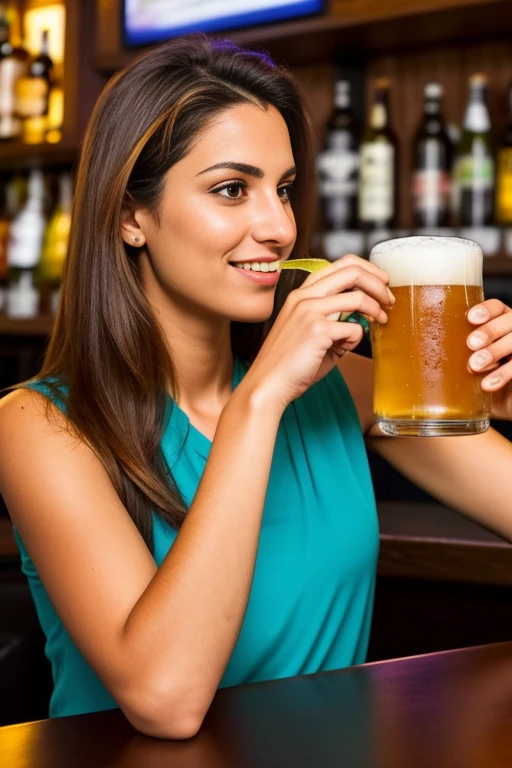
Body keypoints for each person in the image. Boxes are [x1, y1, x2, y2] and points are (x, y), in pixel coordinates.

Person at [0, 35, 512, 741]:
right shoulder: (37, 426)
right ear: (130, 215)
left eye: (285, 189)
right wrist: (261, 400)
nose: (277, 226)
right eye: (232, 189)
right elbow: (166, 699)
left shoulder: (354, 389)